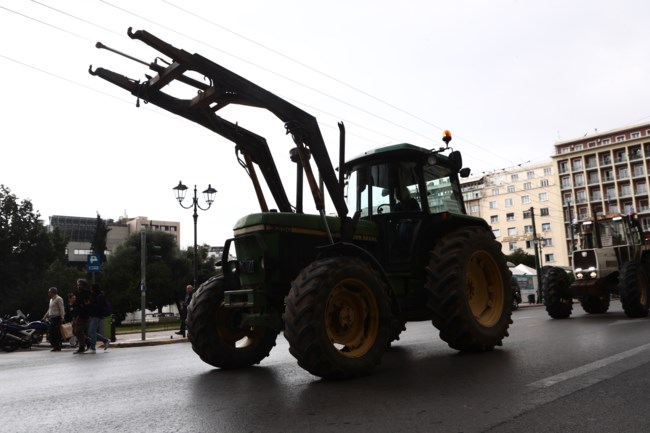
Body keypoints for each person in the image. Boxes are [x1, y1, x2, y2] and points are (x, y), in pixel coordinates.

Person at [87, 283, 110, 352]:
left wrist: (90, 304)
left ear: (94, 289)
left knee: (92, 331)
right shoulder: (94, 295)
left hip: (97, 315)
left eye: (91, 289)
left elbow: (99, 306)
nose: (90, 290)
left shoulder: (100, 296)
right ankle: (105, 340)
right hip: (94, 315)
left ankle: (93, 347)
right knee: (91, 331)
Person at [42, 287, 65, 352]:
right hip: (51, 318)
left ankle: (57, 346)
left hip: (57, 317)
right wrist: (45, 316)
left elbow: (62, 308)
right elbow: (49, 309)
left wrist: (62, 317)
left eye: (49, 292)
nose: (48, 293)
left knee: (51, 332)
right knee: (54, 333)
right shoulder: (51, 300)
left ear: (53, 292)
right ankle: (57, 346)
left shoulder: (59, 299)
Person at [72, 278, 91, 354]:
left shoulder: (87, 294)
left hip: (83, 315)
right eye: (78, 285)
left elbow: (87, 304)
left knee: (78, 331)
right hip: (77, 315)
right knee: (74, 331)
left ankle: (82, 347)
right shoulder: (78, 293)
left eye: (80, 285)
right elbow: (76, 305)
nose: (78, 286)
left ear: (84, 285)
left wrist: (83, 310)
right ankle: (87, 340)